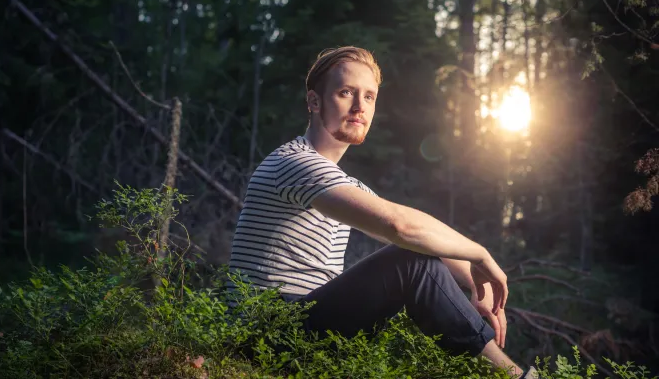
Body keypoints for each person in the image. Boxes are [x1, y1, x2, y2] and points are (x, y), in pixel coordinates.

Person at [226, 46, 537, 379]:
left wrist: (481, 290)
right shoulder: (295, 163)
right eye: (346, 93)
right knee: (411, 261)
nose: (360, 107)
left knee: (418, 256)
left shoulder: (341, 183)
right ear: (314, 102)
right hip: (266, 336)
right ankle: (513, 377)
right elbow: (399, 226)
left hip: (299, 331)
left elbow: (420, 235)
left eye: (370, 97)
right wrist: (480, 254)